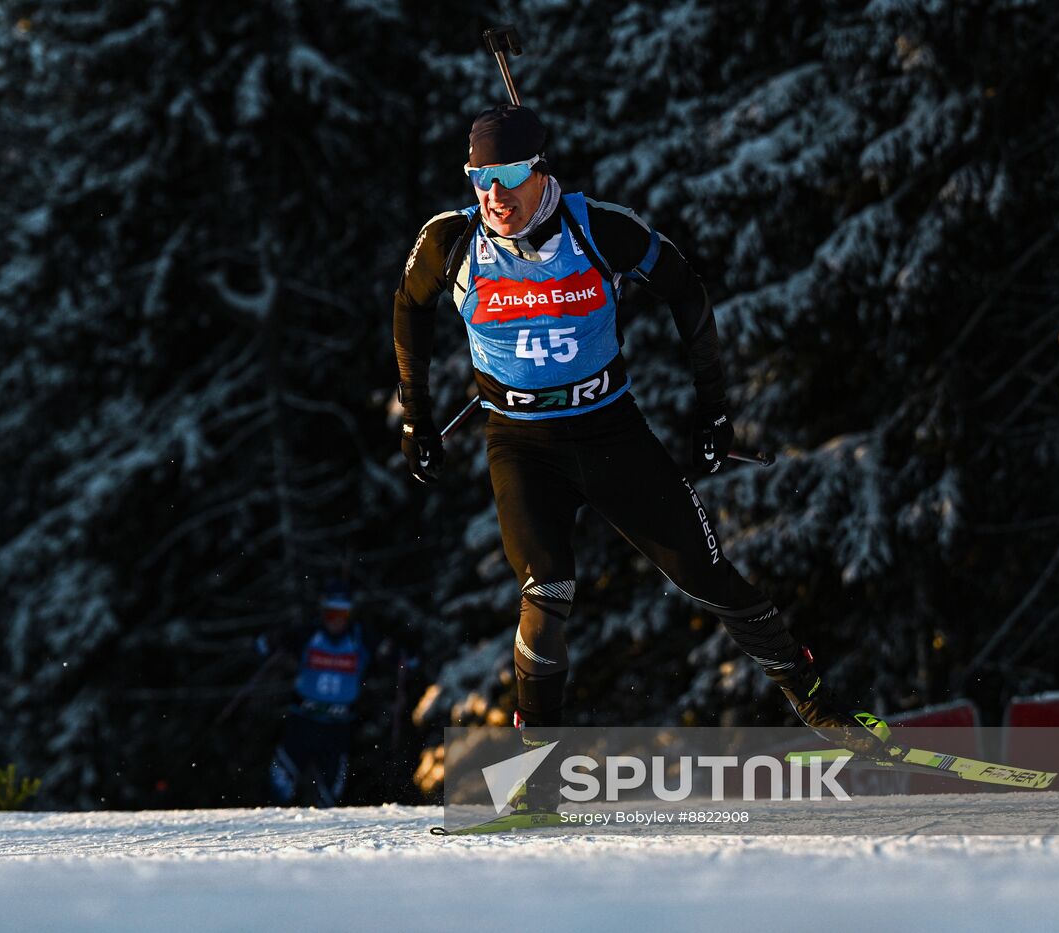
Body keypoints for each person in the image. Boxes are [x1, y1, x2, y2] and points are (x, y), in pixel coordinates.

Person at [392, 105, 890, 808]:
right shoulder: (452, 241)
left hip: (609, 432)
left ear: (540, 171)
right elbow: (408, 305)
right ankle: (534, 781)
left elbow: (685, 288)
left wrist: (713, 409)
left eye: (507, 176)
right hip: (520, 443)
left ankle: (821, 705)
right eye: (479, 178)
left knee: (705, 572)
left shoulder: (599, 229)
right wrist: (416, 414)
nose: (493, 196)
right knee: (547, 586)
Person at [259, 579, 415, 807]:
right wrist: (268, 642)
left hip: (338, 728)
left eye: (342, 615)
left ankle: (322, 839)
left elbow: (394, 653)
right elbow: (270, 643)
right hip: (302, 723)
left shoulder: (361, 638)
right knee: (280, 785)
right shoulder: (309, 634)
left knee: (330, 795)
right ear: (323, 612)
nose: (336, 621)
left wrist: (404, 657)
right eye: (331, 614)